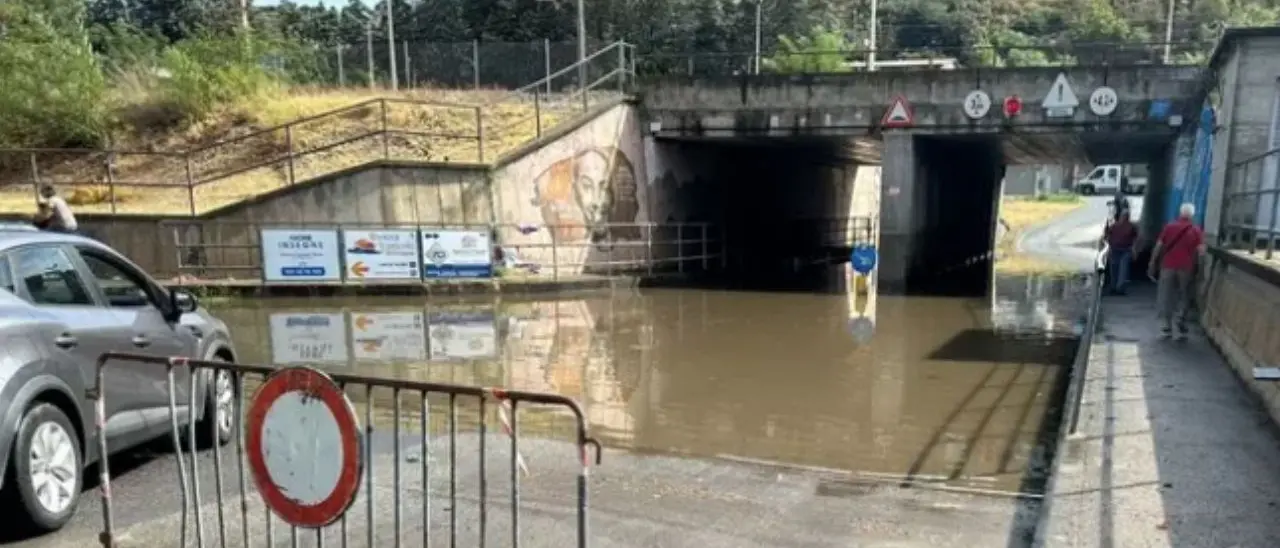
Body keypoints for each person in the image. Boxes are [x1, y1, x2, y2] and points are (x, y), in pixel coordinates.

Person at [1148, 203, 1205, 340]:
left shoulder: (1169, 227)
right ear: (1192, 215)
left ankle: (1166, 325)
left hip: (1168, 266)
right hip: (1186, 268)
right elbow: (1201, 252)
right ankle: (1180, 319)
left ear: (1180, 214)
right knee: (1184, 294)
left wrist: (1152, 262)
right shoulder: (1196, 230)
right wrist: (1200, 269)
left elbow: (1159, 246)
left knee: (1166, 295)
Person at [1104, 209, 1139, 295]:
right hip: (1115, 249)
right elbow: (1107, 236)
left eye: (1126, 215)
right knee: (1115, 270)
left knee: (1122, 270)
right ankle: (1114, 287)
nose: (1125, 217)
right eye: (1124, 215)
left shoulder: (1131, 226)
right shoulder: (1115, 226)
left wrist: (1134, 250)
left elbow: (1135, 239)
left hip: (1125, 250)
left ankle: (1119, 288)